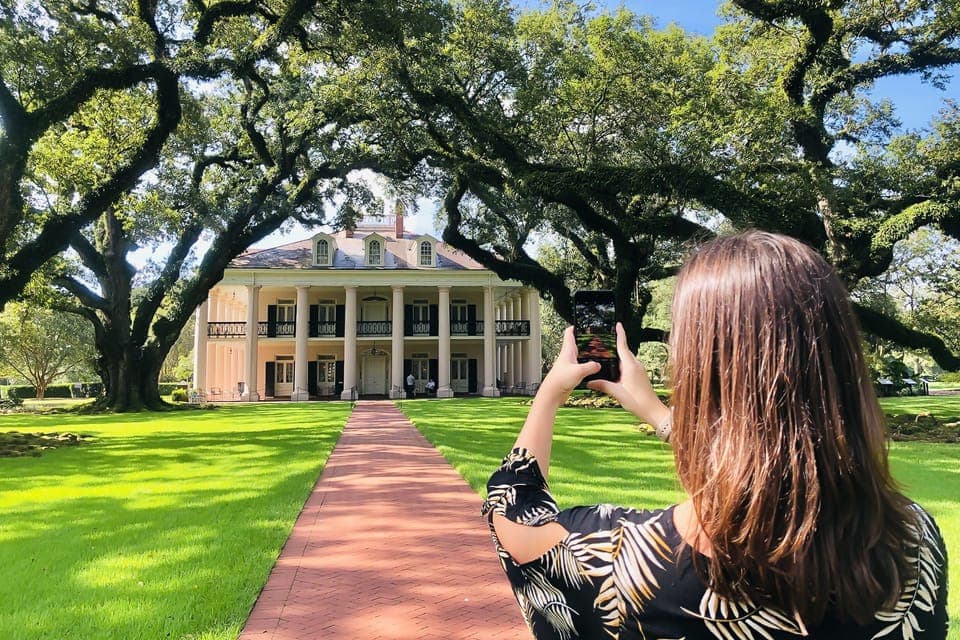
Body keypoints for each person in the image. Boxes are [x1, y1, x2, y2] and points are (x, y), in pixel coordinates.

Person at [482, 231, 948, 640]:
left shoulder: (626, 564)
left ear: (699, 372)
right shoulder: (916, 543)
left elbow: (511, 506)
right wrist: (654, 412)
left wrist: (548, 395)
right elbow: (769, 462)